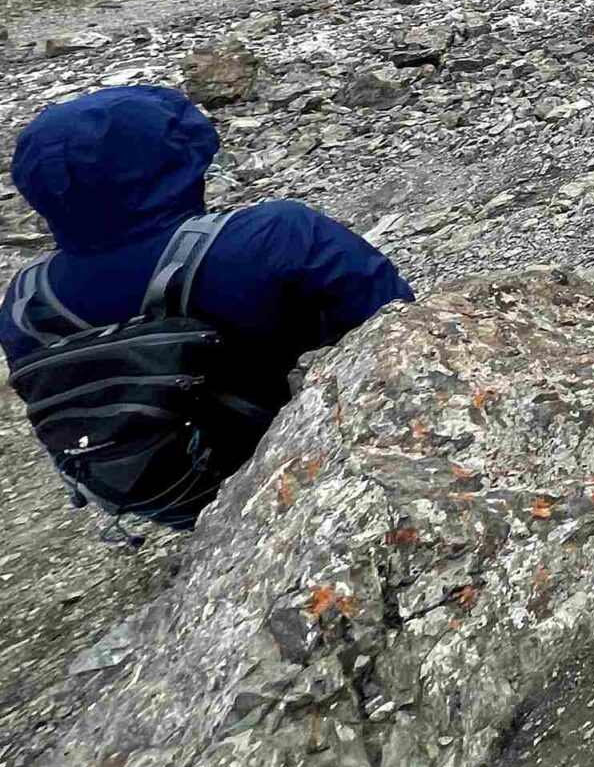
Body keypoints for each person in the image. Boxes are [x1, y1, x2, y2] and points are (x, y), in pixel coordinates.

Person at [2, 86, 413, 525]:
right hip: (299, 462)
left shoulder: (25, 298)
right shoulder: (273, 236)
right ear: (180, 161)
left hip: (159, 491)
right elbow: (403, 326)